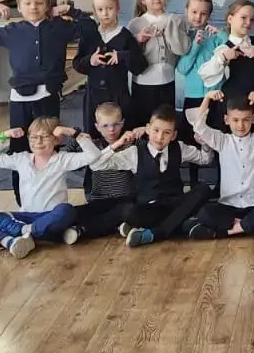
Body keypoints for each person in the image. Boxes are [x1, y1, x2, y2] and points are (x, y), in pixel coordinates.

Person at [86, 105, 215, 247]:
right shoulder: (134, 153)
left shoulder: (179, 148)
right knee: (129, 211)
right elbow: (96, 165)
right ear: (147, 129)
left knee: (203, 189)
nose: (160, 137)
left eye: (166, 133)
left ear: (173, 135)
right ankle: (179, 224)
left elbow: (205, 159)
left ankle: (156, 233)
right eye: (156, 130)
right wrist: (118, 144)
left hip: (176, 203)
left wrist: (205, 144)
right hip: (149, 209)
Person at [0, 0, 81, 145]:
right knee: (19, 140)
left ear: (47, 6)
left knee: (49, 140)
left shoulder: (58, 27)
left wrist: (70, 10)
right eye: (27, 3)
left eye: (39, 3)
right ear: (19, 7)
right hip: (20, 96)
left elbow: (88, 28)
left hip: (49, 94)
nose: (33, 7)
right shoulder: (12, 31)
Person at [0, 118, 97, 257]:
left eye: (45, 137)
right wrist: (4, 135)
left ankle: (25, 232)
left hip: (49, 217)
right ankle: (9, 241)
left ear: (57, 140)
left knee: (66, 210)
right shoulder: (21, 159)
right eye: (34, 137)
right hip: (24, 217)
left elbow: (94, 155)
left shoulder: (63, 159)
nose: (38, 141)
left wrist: (71, 132)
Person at [183, 90, 254, 238]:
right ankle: (250, 227)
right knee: (204, 212)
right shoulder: (222, 140)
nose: (240, 125)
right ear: (227, 120)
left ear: (253, 118)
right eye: (235, 120)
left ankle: (225, 232)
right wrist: (207, 98)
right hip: (228, 206)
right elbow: (199, 127)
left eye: (246, 120)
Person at [72, 0, 146, 119]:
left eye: (109, 8)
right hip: (94, 99)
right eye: (100, 9)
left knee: (121, 129)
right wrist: (90, 60)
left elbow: (140, 66)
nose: (105, 13)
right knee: (94, 130)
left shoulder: (125, 36)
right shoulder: (90, 35)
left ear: (118, 7)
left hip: (118, 98)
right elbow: (77, 64)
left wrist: (122, 56)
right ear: (95, 11)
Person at [71, 102, 141, 240]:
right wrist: (75, 136)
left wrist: (144, 130)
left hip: (125, 198)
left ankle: (84, 230)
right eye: (105, 126)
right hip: (99, 199)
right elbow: (73, 164)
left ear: (122, 123)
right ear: (97, 127)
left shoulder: (132, 144)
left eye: (116, 124)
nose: (111, 129)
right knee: (72, 213)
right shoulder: (93, 146)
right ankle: (117, 226)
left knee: (128, 210)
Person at [127, 0, 190, 127]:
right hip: (143, 83)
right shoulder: (135, 24)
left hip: (167, 82)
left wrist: (171, 29)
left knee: (166, 121)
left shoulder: (176, 20)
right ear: (142, 0)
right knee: (144, 122)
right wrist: (138, 40)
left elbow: (182, 49)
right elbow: (129, 55)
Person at [198, 0, 254, 126]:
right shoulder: (224, 49)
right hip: (231, 110)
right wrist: (223, 57)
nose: (248, 22)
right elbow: (205, 74)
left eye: (252, 19)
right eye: (243, 17)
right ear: (230, 19)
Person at [174, 0, 222, 117]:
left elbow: (231, 50)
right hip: (193, 95)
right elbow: (182, 69)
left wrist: (221, 34)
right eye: (194, 12)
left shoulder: (216, 36)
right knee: (192, 127)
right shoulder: (183, 36)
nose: (198, 17)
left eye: (203, 13)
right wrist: (195, 46)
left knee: (213, 127)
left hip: (215, 94)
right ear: (186, 11)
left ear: (209, 15)